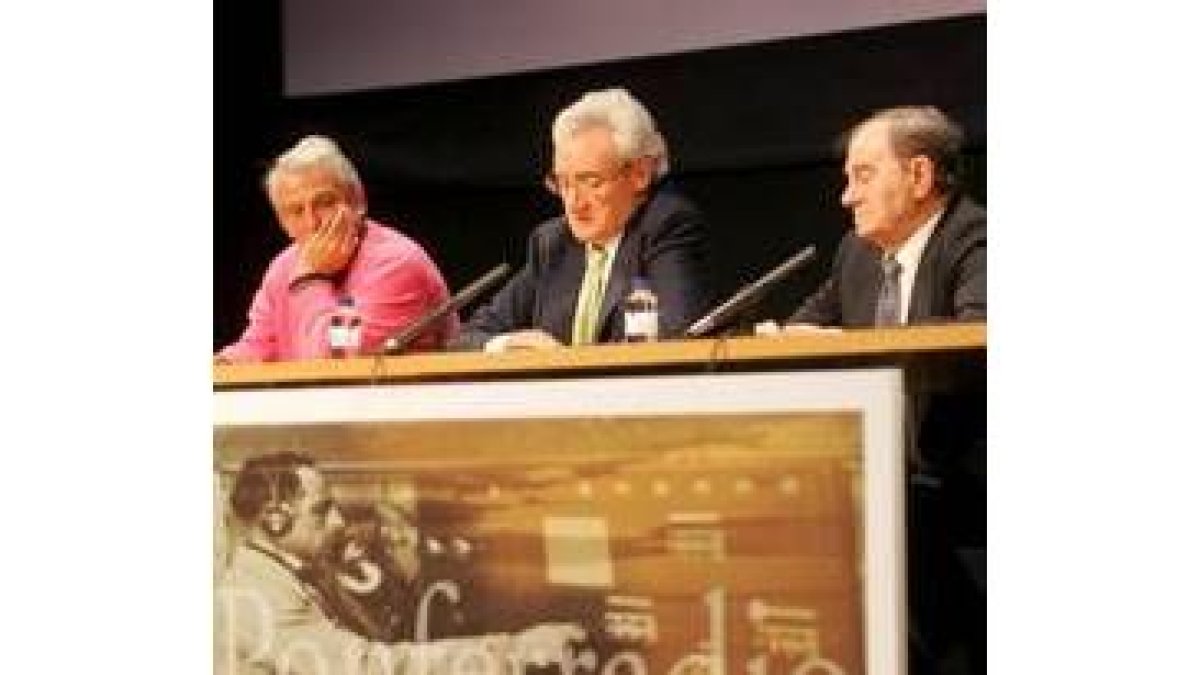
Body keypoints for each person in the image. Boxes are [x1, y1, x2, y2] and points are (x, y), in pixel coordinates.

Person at [763, 106, 985, 674]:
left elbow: (975, 339)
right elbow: (809, 324)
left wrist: (841, 340)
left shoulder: (976, 239)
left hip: (964, 491)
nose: (846, 197)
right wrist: (781, 337)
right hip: (886, 491)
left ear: (918, 176)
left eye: (862, 176)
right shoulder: (857, 254)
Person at [215, 451, 584, 674]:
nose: (339, 523)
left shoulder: (276, 577)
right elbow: (368, 668)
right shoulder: (261, 596)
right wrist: (515, 651)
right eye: (322, 511)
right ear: (275, 519)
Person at [454, 87, 713, 351]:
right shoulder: (551, 243)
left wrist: (570, 361)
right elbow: (467, 337)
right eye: (563, 183)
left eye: (591, 182)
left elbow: (676, 334)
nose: (574, 203)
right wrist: (507, 343)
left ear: (640, 174)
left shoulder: (666, 225)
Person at [215, 135, 459, 363]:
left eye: (324, 203)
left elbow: (336, 362)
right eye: (296, 211)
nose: (312, 223)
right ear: (283, 223)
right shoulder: (284, 265)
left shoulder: (397, 262)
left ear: (358, 201)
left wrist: (311, 279)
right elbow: (257, 347)